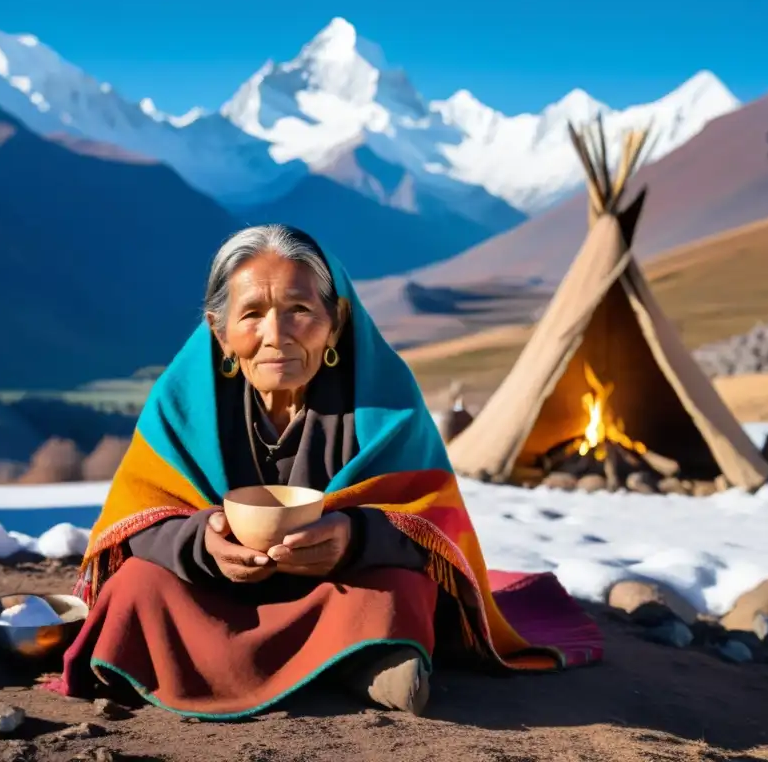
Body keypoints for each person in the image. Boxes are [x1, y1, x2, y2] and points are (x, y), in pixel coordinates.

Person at [52, 225, 600, 721]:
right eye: (252, 315)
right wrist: (202, 544)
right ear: (219, 331)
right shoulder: (180, 402)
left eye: (299, 309)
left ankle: (346, 656)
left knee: (399, 590)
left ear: (335, 320)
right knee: (136, 586)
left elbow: (433, 524)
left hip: (341, 584)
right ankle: (344, 660)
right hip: (214, 588)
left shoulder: (384, 401)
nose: (277, 334)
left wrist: (353, 537)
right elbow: (137, 518)